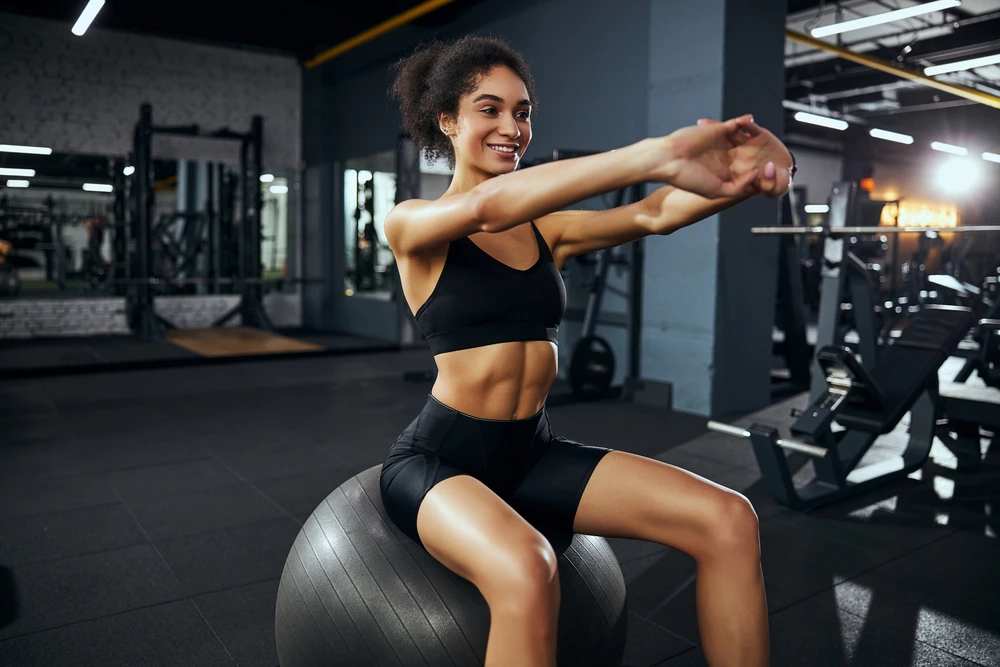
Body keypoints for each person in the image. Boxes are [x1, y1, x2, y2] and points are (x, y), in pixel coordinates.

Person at [378, 35, 793, 667]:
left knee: (729, 519)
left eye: (522, 112)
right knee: (527, 569)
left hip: (531, 451)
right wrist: (659, 153)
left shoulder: (546, 230)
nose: (512, 127)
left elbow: (654, 214)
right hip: (441, 461)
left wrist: (751, 178)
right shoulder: (411, 223)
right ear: (447, 120)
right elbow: (487, 207)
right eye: (489, 109)